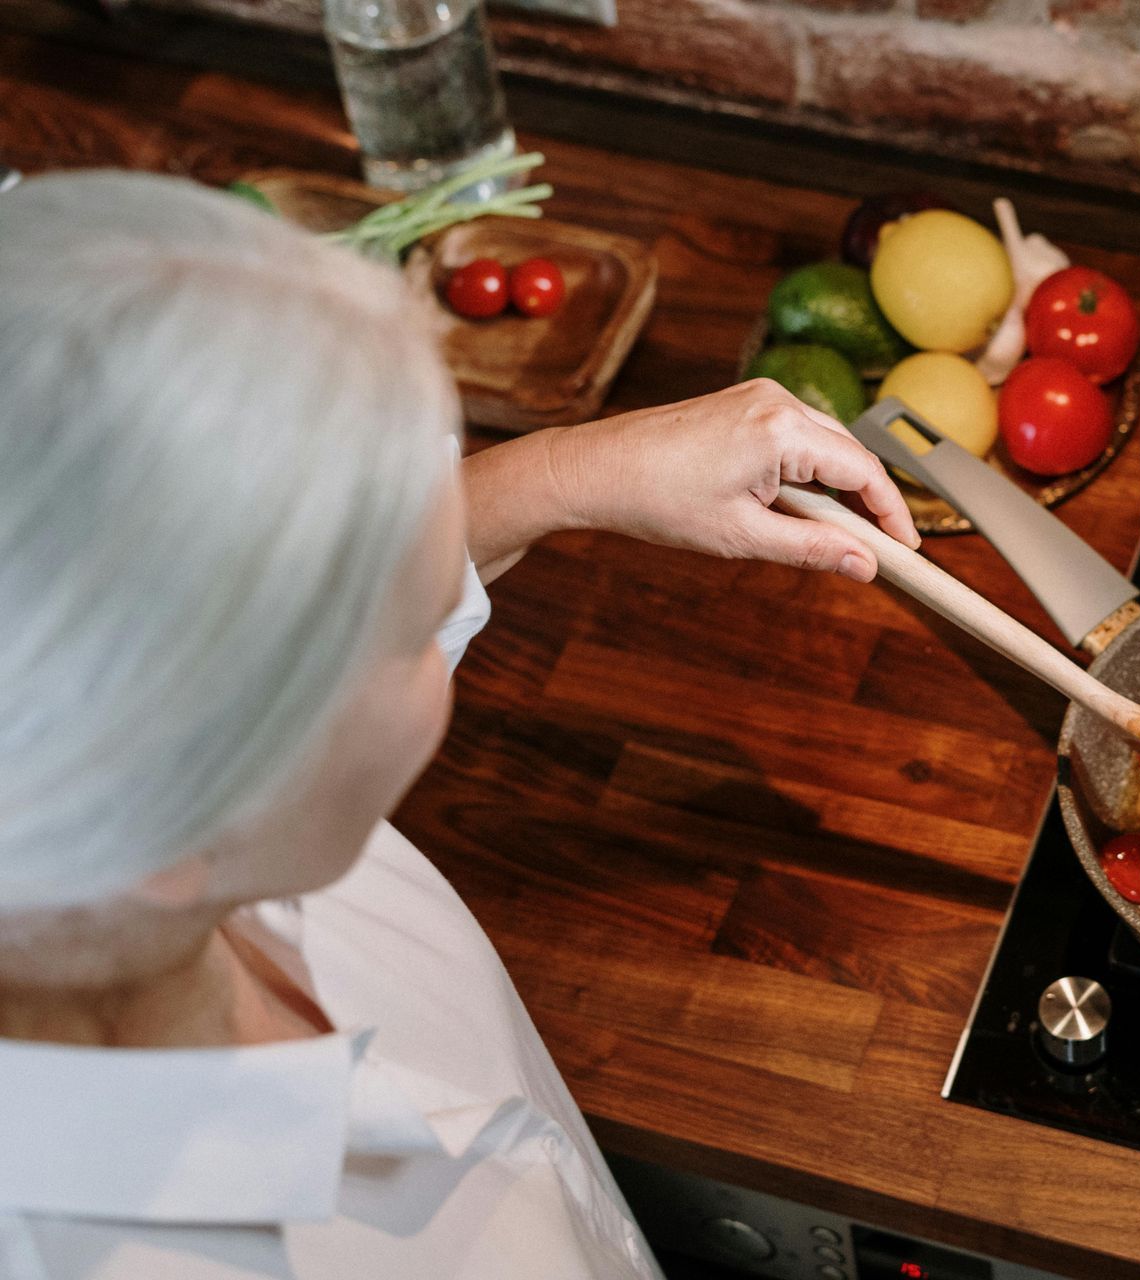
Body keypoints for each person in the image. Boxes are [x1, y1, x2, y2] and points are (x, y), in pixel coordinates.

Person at [0, 170, 916, 1279]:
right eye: (388, 614)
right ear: (158, 812)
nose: (426, 583)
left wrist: (570, 470)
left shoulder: (137, 822)